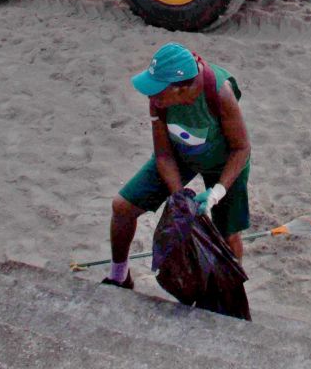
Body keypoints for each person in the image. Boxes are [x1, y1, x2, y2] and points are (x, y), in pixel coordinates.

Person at [104, 42, 251, 290]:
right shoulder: (159, 101)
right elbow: (163, 155)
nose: (151, 97)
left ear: (182, 89)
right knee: (122, 207)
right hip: (180, 154)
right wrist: (179, 197)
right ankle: (119, 277)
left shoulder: (220, 94)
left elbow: (241, 148)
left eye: (158, 92)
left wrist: (217, 192)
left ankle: (230, 293)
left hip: (225, 161)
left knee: (227, 234)